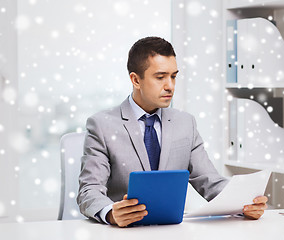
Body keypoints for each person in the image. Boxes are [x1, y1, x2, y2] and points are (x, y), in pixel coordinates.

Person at [77, 36, 268, 228]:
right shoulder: (102, 125)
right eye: (160, 77)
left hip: (173, 230)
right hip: (124, 232)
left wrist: (244, 203)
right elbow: (89, 190)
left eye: (173, 76)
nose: (170, 86)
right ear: (136, 80)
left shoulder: (185, 123)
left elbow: (209, 181)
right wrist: (111, 213)